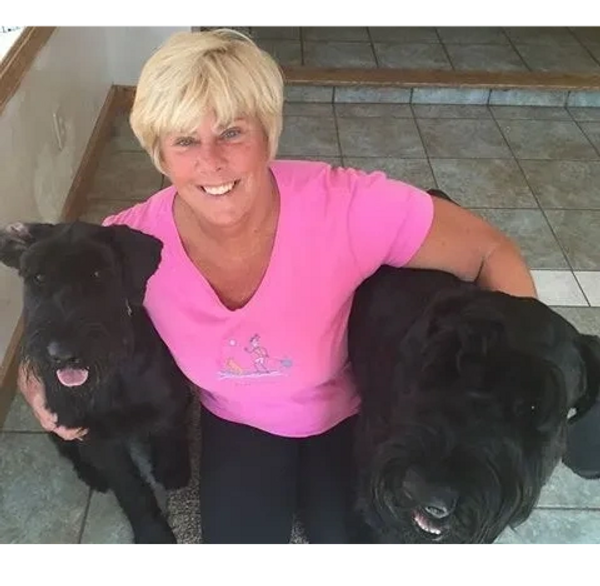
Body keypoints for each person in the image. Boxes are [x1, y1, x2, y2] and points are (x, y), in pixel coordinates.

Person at [17, 28, 537, 547]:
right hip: (236, 417)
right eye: (184, 141)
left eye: (232, 132)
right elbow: (58, 303)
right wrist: (33, 376)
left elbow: (490, 250)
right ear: (160, 154)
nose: (211, 161)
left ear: (268, 134)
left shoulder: (346, 206)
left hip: (346, 411)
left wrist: (513, 386)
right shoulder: (129, 244)